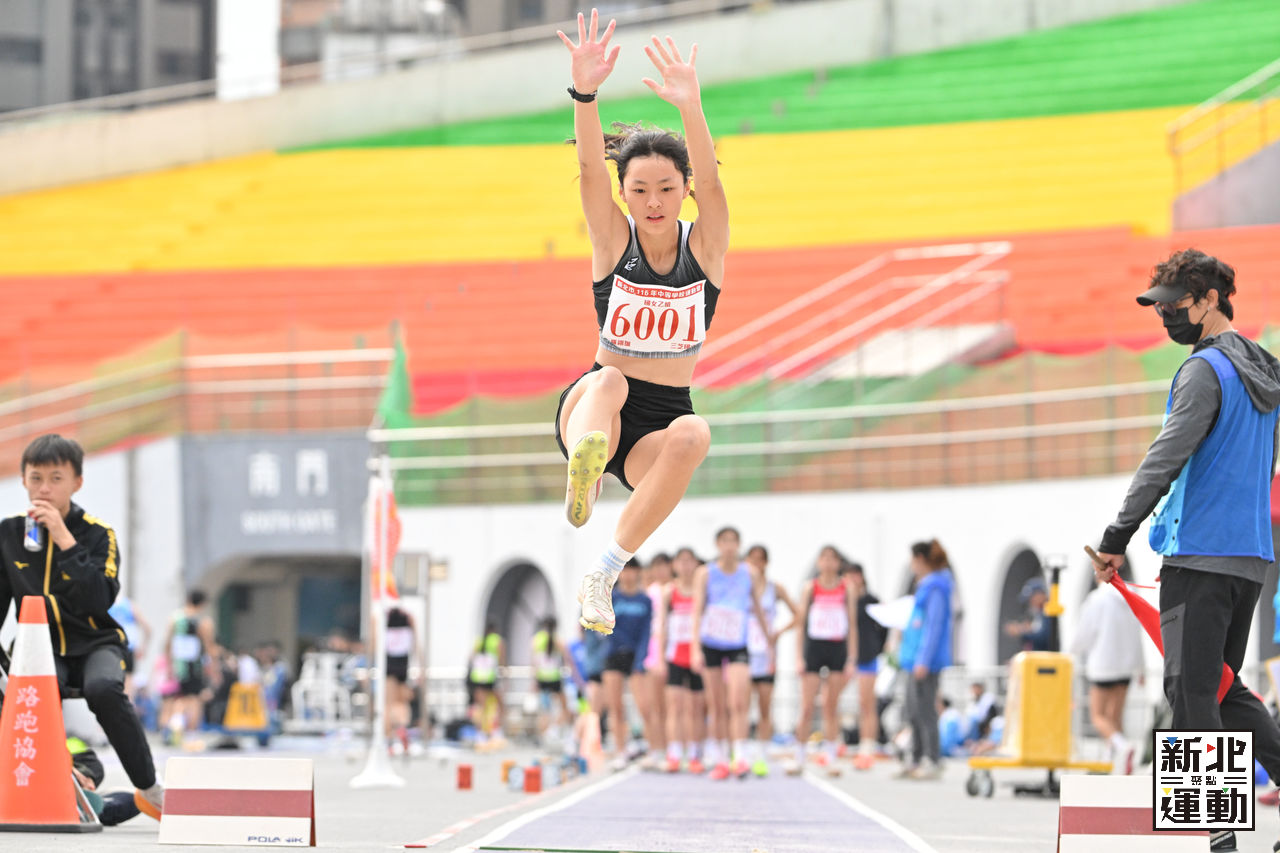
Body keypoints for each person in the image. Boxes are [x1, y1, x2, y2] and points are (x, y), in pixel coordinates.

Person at [1092, 250, 1280, 849]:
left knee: (1191, 692)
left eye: (1174, 304)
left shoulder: (1204, 370)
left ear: (1209, 299)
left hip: (1199, 555)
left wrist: (1116, 537)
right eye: (1159, 307)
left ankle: (1214, 840)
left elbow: (1165, 457)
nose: (1165, 316)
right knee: (1219, 687)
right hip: (1249, 556)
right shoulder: (1264, 369)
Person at [554, 10, 729, 637]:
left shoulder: (704, 249)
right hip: (596, 402)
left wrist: (691, 106)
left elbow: (714, 184)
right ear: (624, 194)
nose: (653, 202)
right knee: (611, 382)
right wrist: (585, 93)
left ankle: (603, 572)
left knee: (695, 432)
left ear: (683, 190)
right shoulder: (612, 241)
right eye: (639, 190)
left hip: (657, 423)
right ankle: (584, 469)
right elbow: (589, 171)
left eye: (666, 188)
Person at [0, 435, 164, 819]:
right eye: (36, 478)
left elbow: (99, 599)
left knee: (103, 688)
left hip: (95, 643)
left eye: (56, 478)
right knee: (29, 696)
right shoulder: (8, 535)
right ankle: (56, 778)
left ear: (77, 482)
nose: (44, 488)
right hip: (38, 648)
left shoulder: (98, 534)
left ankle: (149, 788)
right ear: (23, 480)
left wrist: (63, 538)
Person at [692, 526, 769, 780]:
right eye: (724, 541)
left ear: (738, 545)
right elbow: (697, 610)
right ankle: (721, 758)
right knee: (717, 704)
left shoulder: (750, 573)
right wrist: (695, 648)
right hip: (712, 642)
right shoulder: (705, 573)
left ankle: (741, 756)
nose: (728, 546)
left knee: (738, 701)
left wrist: (768, 642)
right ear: (717, 544)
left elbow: (757, 608)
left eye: (733, 541)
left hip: (738, 642)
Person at [787, 545, 856, 777]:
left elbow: (852, 625)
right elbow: (801, 624)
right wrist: (798, 656)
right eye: (824, 558)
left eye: (832, 559)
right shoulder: (811, 588)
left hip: (837, 647)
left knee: (831, 705)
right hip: (814, 647)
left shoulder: (846, 587)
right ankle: (799, 755)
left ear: (838, 563)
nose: (828, 563)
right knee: (807, 706)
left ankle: (831, 757)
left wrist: (851, 658)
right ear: (818, 563)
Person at [1070, 580, 1144, 774]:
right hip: (1126, 666)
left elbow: (1083, 634)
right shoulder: (1130, 598)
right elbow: (1138, 634)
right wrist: (1140, 667)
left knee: (1098, 717)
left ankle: (1123, 748)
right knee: (1114, 718)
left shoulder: (1097, 600)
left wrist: (1071, 652)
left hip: (1103, 665)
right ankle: (1113, 762)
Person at [897, 539, 955, 781]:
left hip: (925, 662)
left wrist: (924, 659)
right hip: (913, 659)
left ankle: (932, 759)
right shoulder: (924, 587)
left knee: (925, 710)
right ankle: (916, 757)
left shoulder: (936, 588)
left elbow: (934, 626)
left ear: (920, 559)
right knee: (912, 710)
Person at [744, 544, 796, 777]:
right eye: (751, 559)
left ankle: (761, 755)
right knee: (741, 706)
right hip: (743, 652)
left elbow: (799, 614)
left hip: (765, 653)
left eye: (760, 559)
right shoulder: (741, 587)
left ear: (766, 563)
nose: (756, 564)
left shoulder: (775, 588)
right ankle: (742, 753)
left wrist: (778, 633)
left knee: (765, 706)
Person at [601, 558, 654, 770]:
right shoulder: (611, 597)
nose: (628, 575)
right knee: (616, 706)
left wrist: (640, 659)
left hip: (636, 656)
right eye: (624, 570)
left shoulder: (645, 600)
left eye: (632, 570)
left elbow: (646, 632)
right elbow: (606, 626)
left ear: (638, 572)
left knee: (644, 705)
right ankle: (620, 751)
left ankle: (651, 749)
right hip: (614, 654)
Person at [659, 546, 707, 774]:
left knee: (696, 708)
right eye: (682, 561)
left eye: (690, 561)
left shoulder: (701, 590)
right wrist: (660, 658)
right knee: (675, 707)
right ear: (675, 565)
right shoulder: (669, 592)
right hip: (675, 655)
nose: (686, 566)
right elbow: (662, 626)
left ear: (696, 564)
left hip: (696, 655)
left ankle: (695, 754)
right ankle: (675, 753)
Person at [846, 562, 888, 770]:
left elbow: (884, 626)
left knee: (867, 703)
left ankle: (867, 745)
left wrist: (878, 648)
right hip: (847, 657)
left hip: (867, 656)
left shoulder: (871, 601)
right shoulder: (844, 600)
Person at [164, 588, 217, 738]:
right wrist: (214, 669)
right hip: (195, 667)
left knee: (180, 698)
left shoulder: (175, 618)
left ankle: (174, 725)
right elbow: (209, 647)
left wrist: (168, 666)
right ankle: (192, 733)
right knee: (195, 699)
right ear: (202, 604)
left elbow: (168, 644)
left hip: (179, 666)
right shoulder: (203, 622)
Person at [640, 553, 672, 767]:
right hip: (652, 648)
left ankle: (672, 748)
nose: (660, 571)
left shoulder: (674, 589)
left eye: (664, 566)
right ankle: (656, 747)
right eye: (656, 566)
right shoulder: (649, 593)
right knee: (653, 704)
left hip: (672, 647)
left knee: (671, 704)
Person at [532, 616, 572, 743]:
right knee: (564, 707)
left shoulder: (536, 639)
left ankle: (544, 735)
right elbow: (567, 658)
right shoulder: (558, 640)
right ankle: (554, 729)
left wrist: (534, 681)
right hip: (555, 678)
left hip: (542, 679)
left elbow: (534, 662)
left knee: (544, 710)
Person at [383, 603, 416, 751]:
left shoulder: (383, 618)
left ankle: (389, 736)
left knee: (389, 703)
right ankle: (401, 727)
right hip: (403, 664)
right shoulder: (408, 619)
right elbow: (415, 644)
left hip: (390, 664)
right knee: (402, 702)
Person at [467, 623, 505, 737]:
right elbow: (502, 660)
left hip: (477, 677)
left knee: (481, 706)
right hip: (490, 677)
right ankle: (497, 730)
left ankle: (480, 732)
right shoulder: (497, 640)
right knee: (499, 704)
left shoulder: (479, 641)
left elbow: (471, 658)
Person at [1004, 577, 1053, 652]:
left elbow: (1044, 638)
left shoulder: (1049, 610)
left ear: (1039, 594)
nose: (1030, 602)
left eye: (1031, 598)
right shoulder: (1039, 613)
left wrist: (1022, 632)